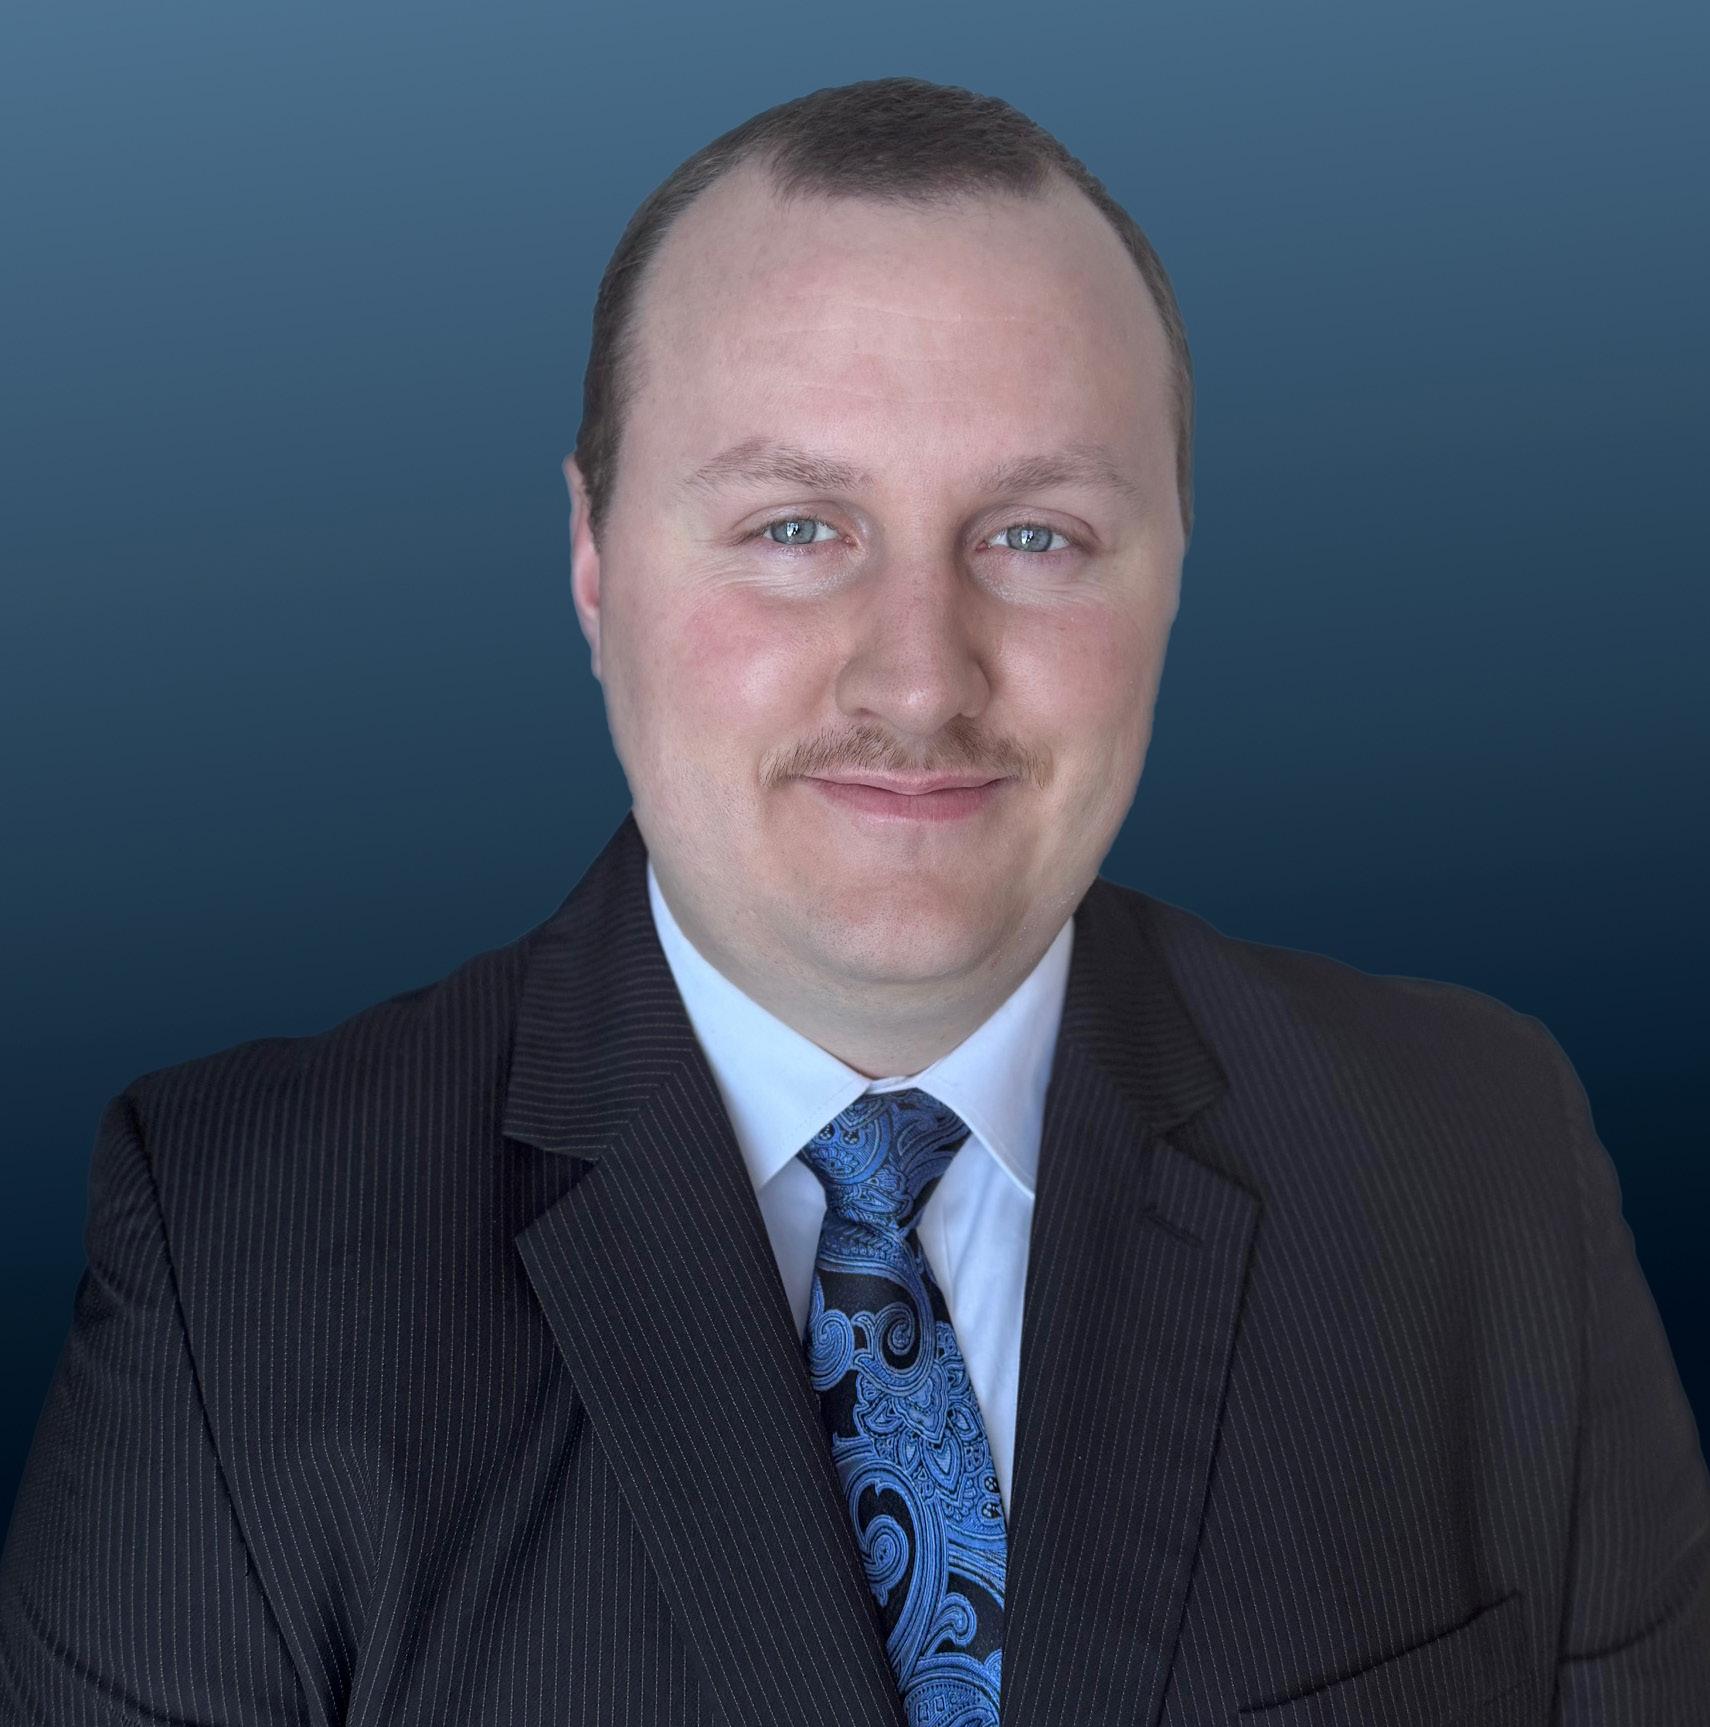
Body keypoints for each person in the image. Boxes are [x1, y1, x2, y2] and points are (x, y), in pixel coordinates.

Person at [2, 74, 1705, 1727]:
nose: (917, 678)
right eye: (796, 527)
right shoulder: (241, 1260)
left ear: (1177, 559)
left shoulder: (1478, 1162)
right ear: (593, 560)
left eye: (1032, 536)